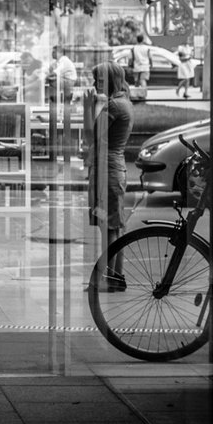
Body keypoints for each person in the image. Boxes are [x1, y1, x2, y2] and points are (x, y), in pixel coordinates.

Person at [87, 61, 134, 290]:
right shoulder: (123, 103)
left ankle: (102, 279)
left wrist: (89, 107)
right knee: (113, 227)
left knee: (110, 229)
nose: (95, 84)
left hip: (108, 171)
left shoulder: (114, 106)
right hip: (112, 168)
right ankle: (115, 277)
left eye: (99, 80)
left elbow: (92, 134)